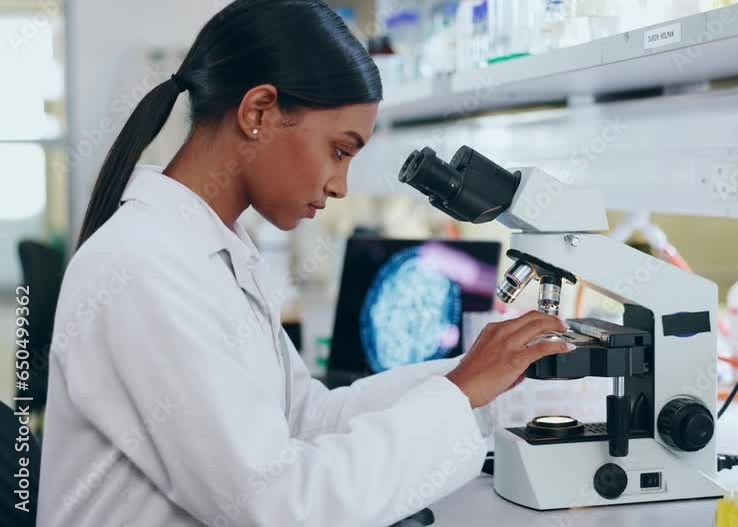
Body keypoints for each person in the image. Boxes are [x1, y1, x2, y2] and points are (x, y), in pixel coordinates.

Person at [37, 1, 573, 525]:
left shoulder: (215, 252)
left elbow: (306, 418)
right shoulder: (145, 267)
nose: (340, 185)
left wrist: (467, 379)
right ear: (259, 113)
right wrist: (458, 396)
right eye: (340, 151)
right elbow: (275, 507)